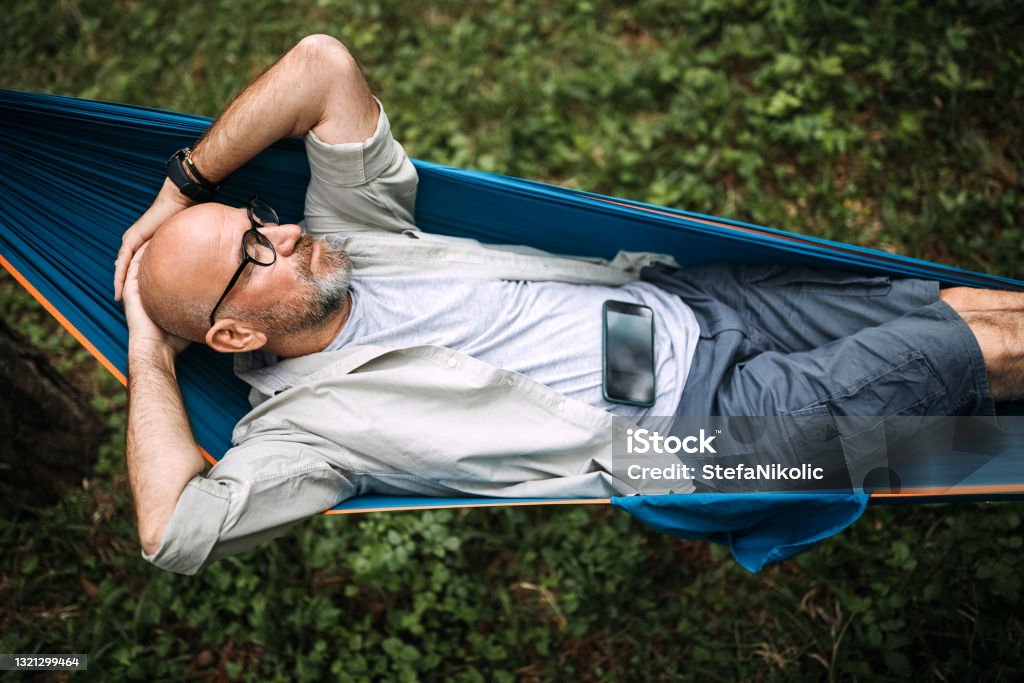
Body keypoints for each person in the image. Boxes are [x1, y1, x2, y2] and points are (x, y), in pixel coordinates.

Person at [116, 35, 1024, 575]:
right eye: (249, 254)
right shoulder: (307, 432)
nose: (278, 236)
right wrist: (149, 349)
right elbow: (173, 531)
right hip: (691, 439)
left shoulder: (356, 236)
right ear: (232, 332)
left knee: (960, 310)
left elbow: (322, 64)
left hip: (687, 304)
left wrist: (181, 188)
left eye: (260, 221)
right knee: (967, 350)